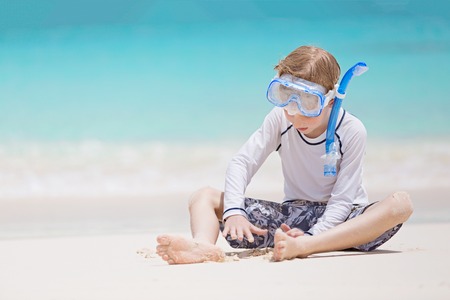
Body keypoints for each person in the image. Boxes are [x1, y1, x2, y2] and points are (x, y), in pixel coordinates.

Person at [156, 45, 413, 264]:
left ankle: (307, 247)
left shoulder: (352, 130)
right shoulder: (281, 119)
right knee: (203, 196)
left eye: (308, 104)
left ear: (332, 101)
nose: (295, 114)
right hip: (291, 220)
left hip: (346, 224)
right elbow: (242, 162)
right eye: (287, 100)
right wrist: (234, 211)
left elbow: (343, 201)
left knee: (401, 204)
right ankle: (203, 246)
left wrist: (311, 237)